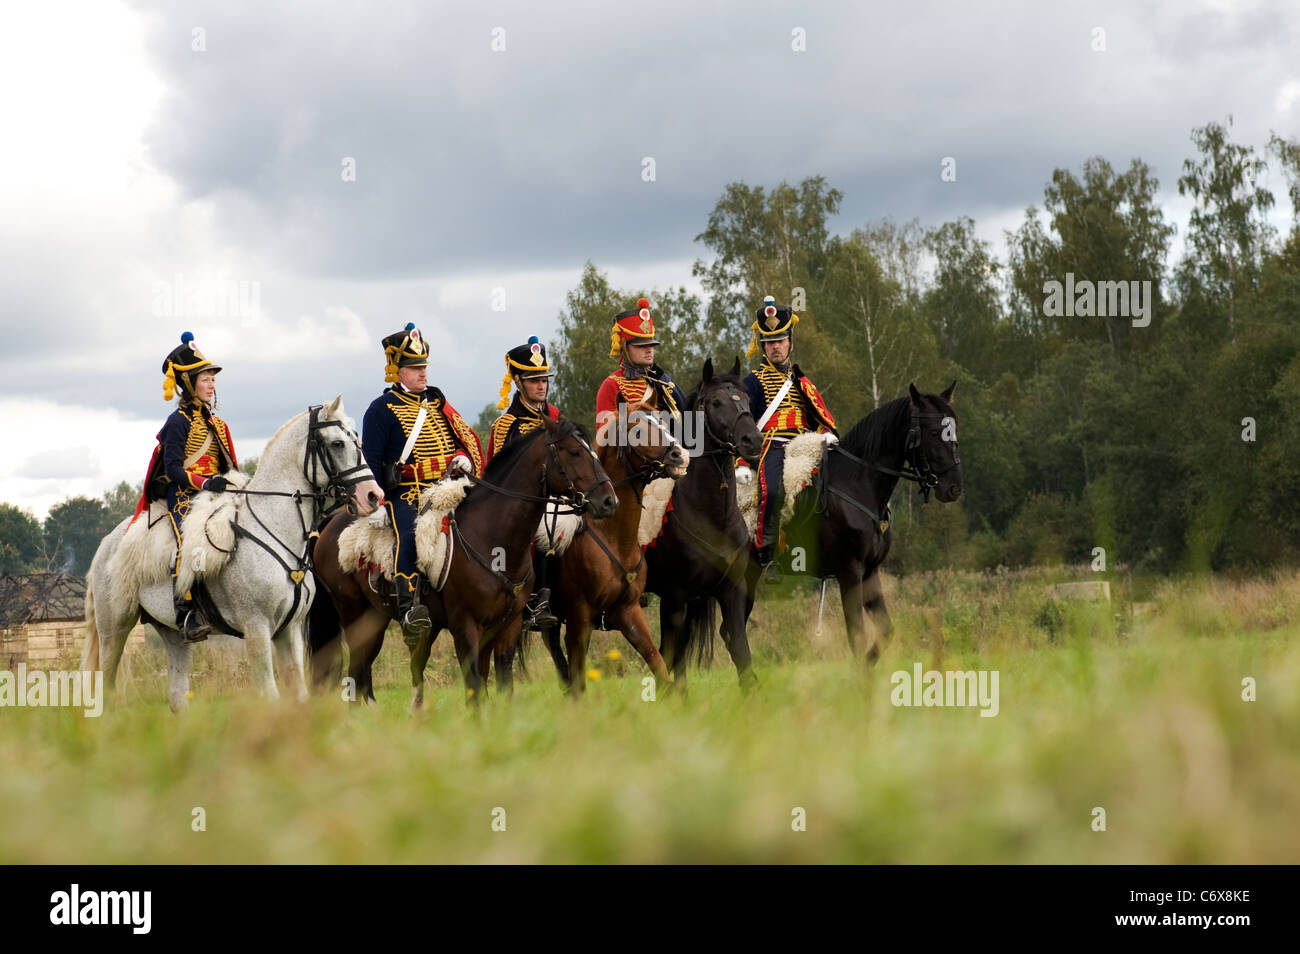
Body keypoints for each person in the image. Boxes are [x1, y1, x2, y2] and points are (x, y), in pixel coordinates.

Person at [361, 322, 484, 646]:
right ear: (396, 371)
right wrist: (380, 502)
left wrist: (463, 459)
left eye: (424, 367)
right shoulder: (381, 409)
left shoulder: (439, 403)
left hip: (452, 487)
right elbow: (371, 463)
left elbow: (460, 439)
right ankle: (409, 610)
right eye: (415, 368)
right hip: (409, 493)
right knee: (411, 535)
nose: (422, 374)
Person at [136, 331, 239, 642]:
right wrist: (206, 482)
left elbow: (230, 466)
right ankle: (186, 610)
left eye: (213, 379)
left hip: (218, 495)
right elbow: (173, 470)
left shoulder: (219, 424)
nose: (212, 385)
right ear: (190, 384)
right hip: (185, 495)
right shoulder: (178, 421)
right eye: (206, 379)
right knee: (190, 542)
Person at [741, 296, 837, 582]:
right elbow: (742, 428)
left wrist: (827, 437)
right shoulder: (752, 382)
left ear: (790, 343)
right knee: (772, 492)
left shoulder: (802, 381)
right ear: (762, 346)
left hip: (804, 446)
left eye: (780, 341)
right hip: (770, 445)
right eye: (769, 342)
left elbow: (822, 419)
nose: (775, 347)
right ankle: (767, 556)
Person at [489, 336, 561, 631]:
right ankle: (535, 603)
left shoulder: (556, 418)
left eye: (544, 379)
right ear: (518, 383)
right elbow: (496, 477)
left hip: (560, 499)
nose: (541, 386)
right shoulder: (507, 426)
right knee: (545, 531)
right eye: (534, 380)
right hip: (520, 507)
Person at [595, 297, 686, 429]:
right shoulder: (612, 385)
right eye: (641, 346)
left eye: (651, 345)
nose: (649, 350)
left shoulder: (662, 383)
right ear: (625, 348)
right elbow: (606, 438)